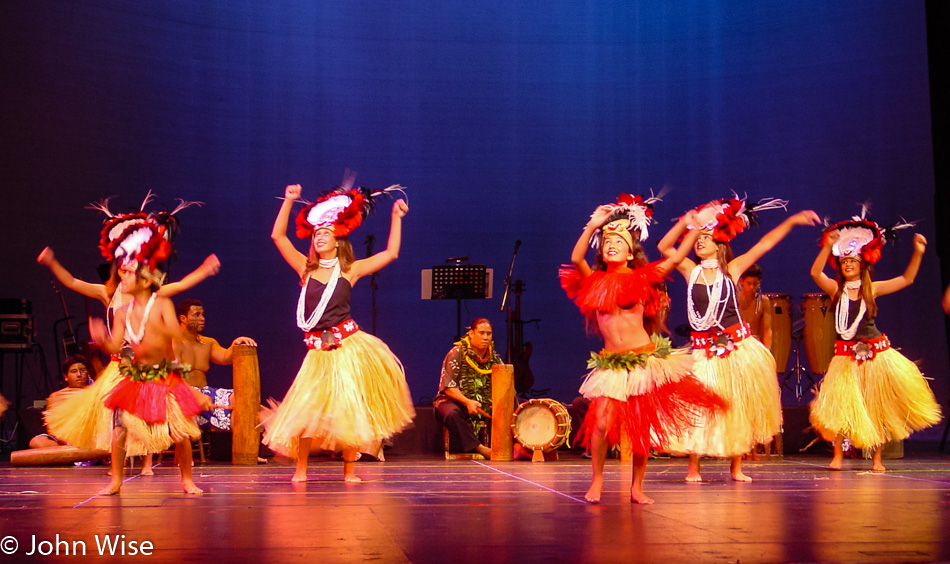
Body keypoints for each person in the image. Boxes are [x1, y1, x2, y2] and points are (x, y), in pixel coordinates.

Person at [560, 193, 725, 504]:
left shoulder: (642, 277)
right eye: (607, 242)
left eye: (619, 242)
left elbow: (675, 259)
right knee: (600, 424)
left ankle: (637, 487)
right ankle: (597, 481)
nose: (611, 245)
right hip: (611, 364)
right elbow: (577, 258)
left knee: (639, 428)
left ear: (631, 251)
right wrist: (593, 225)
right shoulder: (594, 280)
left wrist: (691, 226)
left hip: (643, 361)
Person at [40, 196, 217, 475]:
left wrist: (204, 271)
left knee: (158, 415)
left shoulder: (156, 297)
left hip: (151, 365)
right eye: (123, 264)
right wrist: (52, 263)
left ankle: (148, 463)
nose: (127, 268)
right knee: (120, 422)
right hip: (119, 365)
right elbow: (73, 282)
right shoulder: (109, 294)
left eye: (133, 264)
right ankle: (117, 471)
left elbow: (181, 286)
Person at [261, 175, 415, 483]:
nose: (319, 237)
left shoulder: (350, 270)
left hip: (346, 347)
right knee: (305, 412)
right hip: (317, 351)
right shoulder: (305, 269)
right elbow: (278, 237)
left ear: (338, 240)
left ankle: (349, 471)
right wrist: (289, 200)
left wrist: (396, 218)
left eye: (326, 232)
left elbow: (390, 254)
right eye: (317, 233)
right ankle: (301, 470)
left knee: (348, 411)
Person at [658, 196, 819, 482]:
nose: (700, 241)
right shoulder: (689, 270)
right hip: (702, 350)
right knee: (698, 405)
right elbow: (663, 247)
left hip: (735, 348)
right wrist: (689, 223)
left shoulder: (731, 271)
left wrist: (792, 221)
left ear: (720, 243)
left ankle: (736, 466)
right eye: (698, 238)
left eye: (706, 237)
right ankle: (693, 465)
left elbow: (764, 245)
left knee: (736, 404)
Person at [90, 213, 213, 495]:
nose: (124, 275)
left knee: (180, 432)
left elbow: (174, 333)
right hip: (135, 378)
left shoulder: (162, 305)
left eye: (130, 272)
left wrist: (161, 331)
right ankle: (116, 480)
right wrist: (101, 339)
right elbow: (115, 346)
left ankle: (187, 479)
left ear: (145, 281)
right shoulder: (121, 312)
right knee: (119, 429)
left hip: (164, 376)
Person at [809, 210, 941, 472]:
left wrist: (919, 252)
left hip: (874, 354)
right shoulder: (836, 290)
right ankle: (837, 455)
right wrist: (826, 247)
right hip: (844, 356)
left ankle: (877, 458)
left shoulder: (873, 288)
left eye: (853, 261)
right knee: (840, 407)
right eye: (844, 260)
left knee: (874, 405)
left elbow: (907, 279)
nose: (848, 264)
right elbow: (815, 273)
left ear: (863, 264)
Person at [173, 298, 257, 431]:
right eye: (196, 315)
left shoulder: (208, 343)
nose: (202, 318)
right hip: (183, 393)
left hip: (206, 393)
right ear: (183, 318)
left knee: (241, 397)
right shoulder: (173, 343)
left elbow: (225, 357)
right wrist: (196, 395)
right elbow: (174, 379)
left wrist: (235, 345)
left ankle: (240, 449)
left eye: (202, 314)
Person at [434, 318, 501, 459]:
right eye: (481, 333)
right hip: (452, 400)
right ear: (470, 333)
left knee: (510, 403)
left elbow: (503, 382)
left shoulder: (494, 357)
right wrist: (467, 402)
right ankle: (479, 447)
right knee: (451, 413)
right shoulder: (456, 353)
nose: (485, 337)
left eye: (488, 334)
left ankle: (517, 444)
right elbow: (448, 387)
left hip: (482, 401)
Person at [31, 356, 93, 449]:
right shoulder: (56, 397)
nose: (79, 374)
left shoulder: (96, 393)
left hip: (89, 438)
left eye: (83, 370)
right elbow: (51, 428)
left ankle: (71, 452)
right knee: (36, 442)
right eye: (74, 371)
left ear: (88, 374)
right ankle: (72, 451)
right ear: (66, 377)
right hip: (63, 441)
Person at [737, 265, 772, 349]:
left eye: (755, 284)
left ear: (760, 282)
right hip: (737, 344)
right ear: (741, 281)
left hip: (755, 345)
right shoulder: (733, 299)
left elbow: (767, 330)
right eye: (749, 283)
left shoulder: (763, 301)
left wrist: (767, 352)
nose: (752, 287)